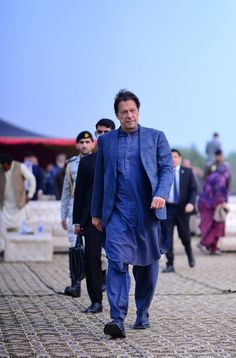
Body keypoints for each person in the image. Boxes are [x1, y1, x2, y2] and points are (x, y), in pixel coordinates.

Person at [91, 90, 174, 338]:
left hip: (148, 212)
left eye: (133, 110)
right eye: (124, 112)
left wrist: (161, 193)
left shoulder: (156, 137)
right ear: (117, 115)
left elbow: (167, 169)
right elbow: (100, 178)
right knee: (116, 262)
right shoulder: (106, 142)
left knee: (147, 267)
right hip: (117, 213)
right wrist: (96, 212)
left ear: (139, 111)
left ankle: (143, 312)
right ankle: (117, 318)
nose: (129, 115)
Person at [73, 118, 116, 314]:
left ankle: (118, 300)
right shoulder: (88, 161)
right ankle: (96, 301)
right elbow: (79, 193)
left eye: (107, 131)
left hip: (117, 216)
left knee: (119, 259)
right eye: (100, 132)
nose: (103, 135)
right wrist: (76, 221)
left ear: (114, 133)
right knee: (92, 258)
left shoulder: (121, 159)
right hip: (91, 217)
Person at [61, 131, 94, 297]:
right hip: (75, 207)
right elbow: (66, 191)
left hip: (93, 208)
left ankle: (99, 282)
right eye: (81, 142)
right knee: (75, 247)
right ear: (77, 145)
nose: (84, 145)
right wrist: (63, 215)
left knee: (96, 250)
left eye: (88, 142)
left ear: (93, 144)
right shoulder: (71, 164)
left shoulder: (99, 161)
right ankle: (75, 284)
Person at [162, 149, 198, 273]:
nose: (173, 159)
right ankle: (170, 263)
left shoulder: (187, 172)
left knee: (185, 236)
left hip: (183, 209)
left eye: (175, 156)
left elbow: (194, 189)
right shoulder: (164, 172)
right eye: (170, 156)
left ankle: (189, 253)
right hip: (168, 208)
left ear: (180, 158)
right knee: (168, 238)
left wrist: (191, 203)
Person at [0, 154, 36, 253]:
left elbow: (32, 179)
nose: (4, 168)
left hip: (19, 204)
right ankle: (2, 250)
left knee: (18, 228)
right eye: (2, 167)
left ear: (9, 164)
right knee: (1, 227)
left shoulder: (20, 167)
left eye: (5, 166)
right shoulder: (1, 169)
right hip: (5, 205)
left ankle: (14, 252)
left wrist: (30, 194)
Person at [198, 159, 231, 255]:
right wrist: (221, 202)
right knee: (217, 226)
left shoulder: (211, 176)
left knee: (209, 225)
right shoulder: (221, 177)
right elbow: (219, 191)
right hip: (213, 205)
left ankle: (213, 248)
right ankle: (204, 243)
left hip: (204, 204)